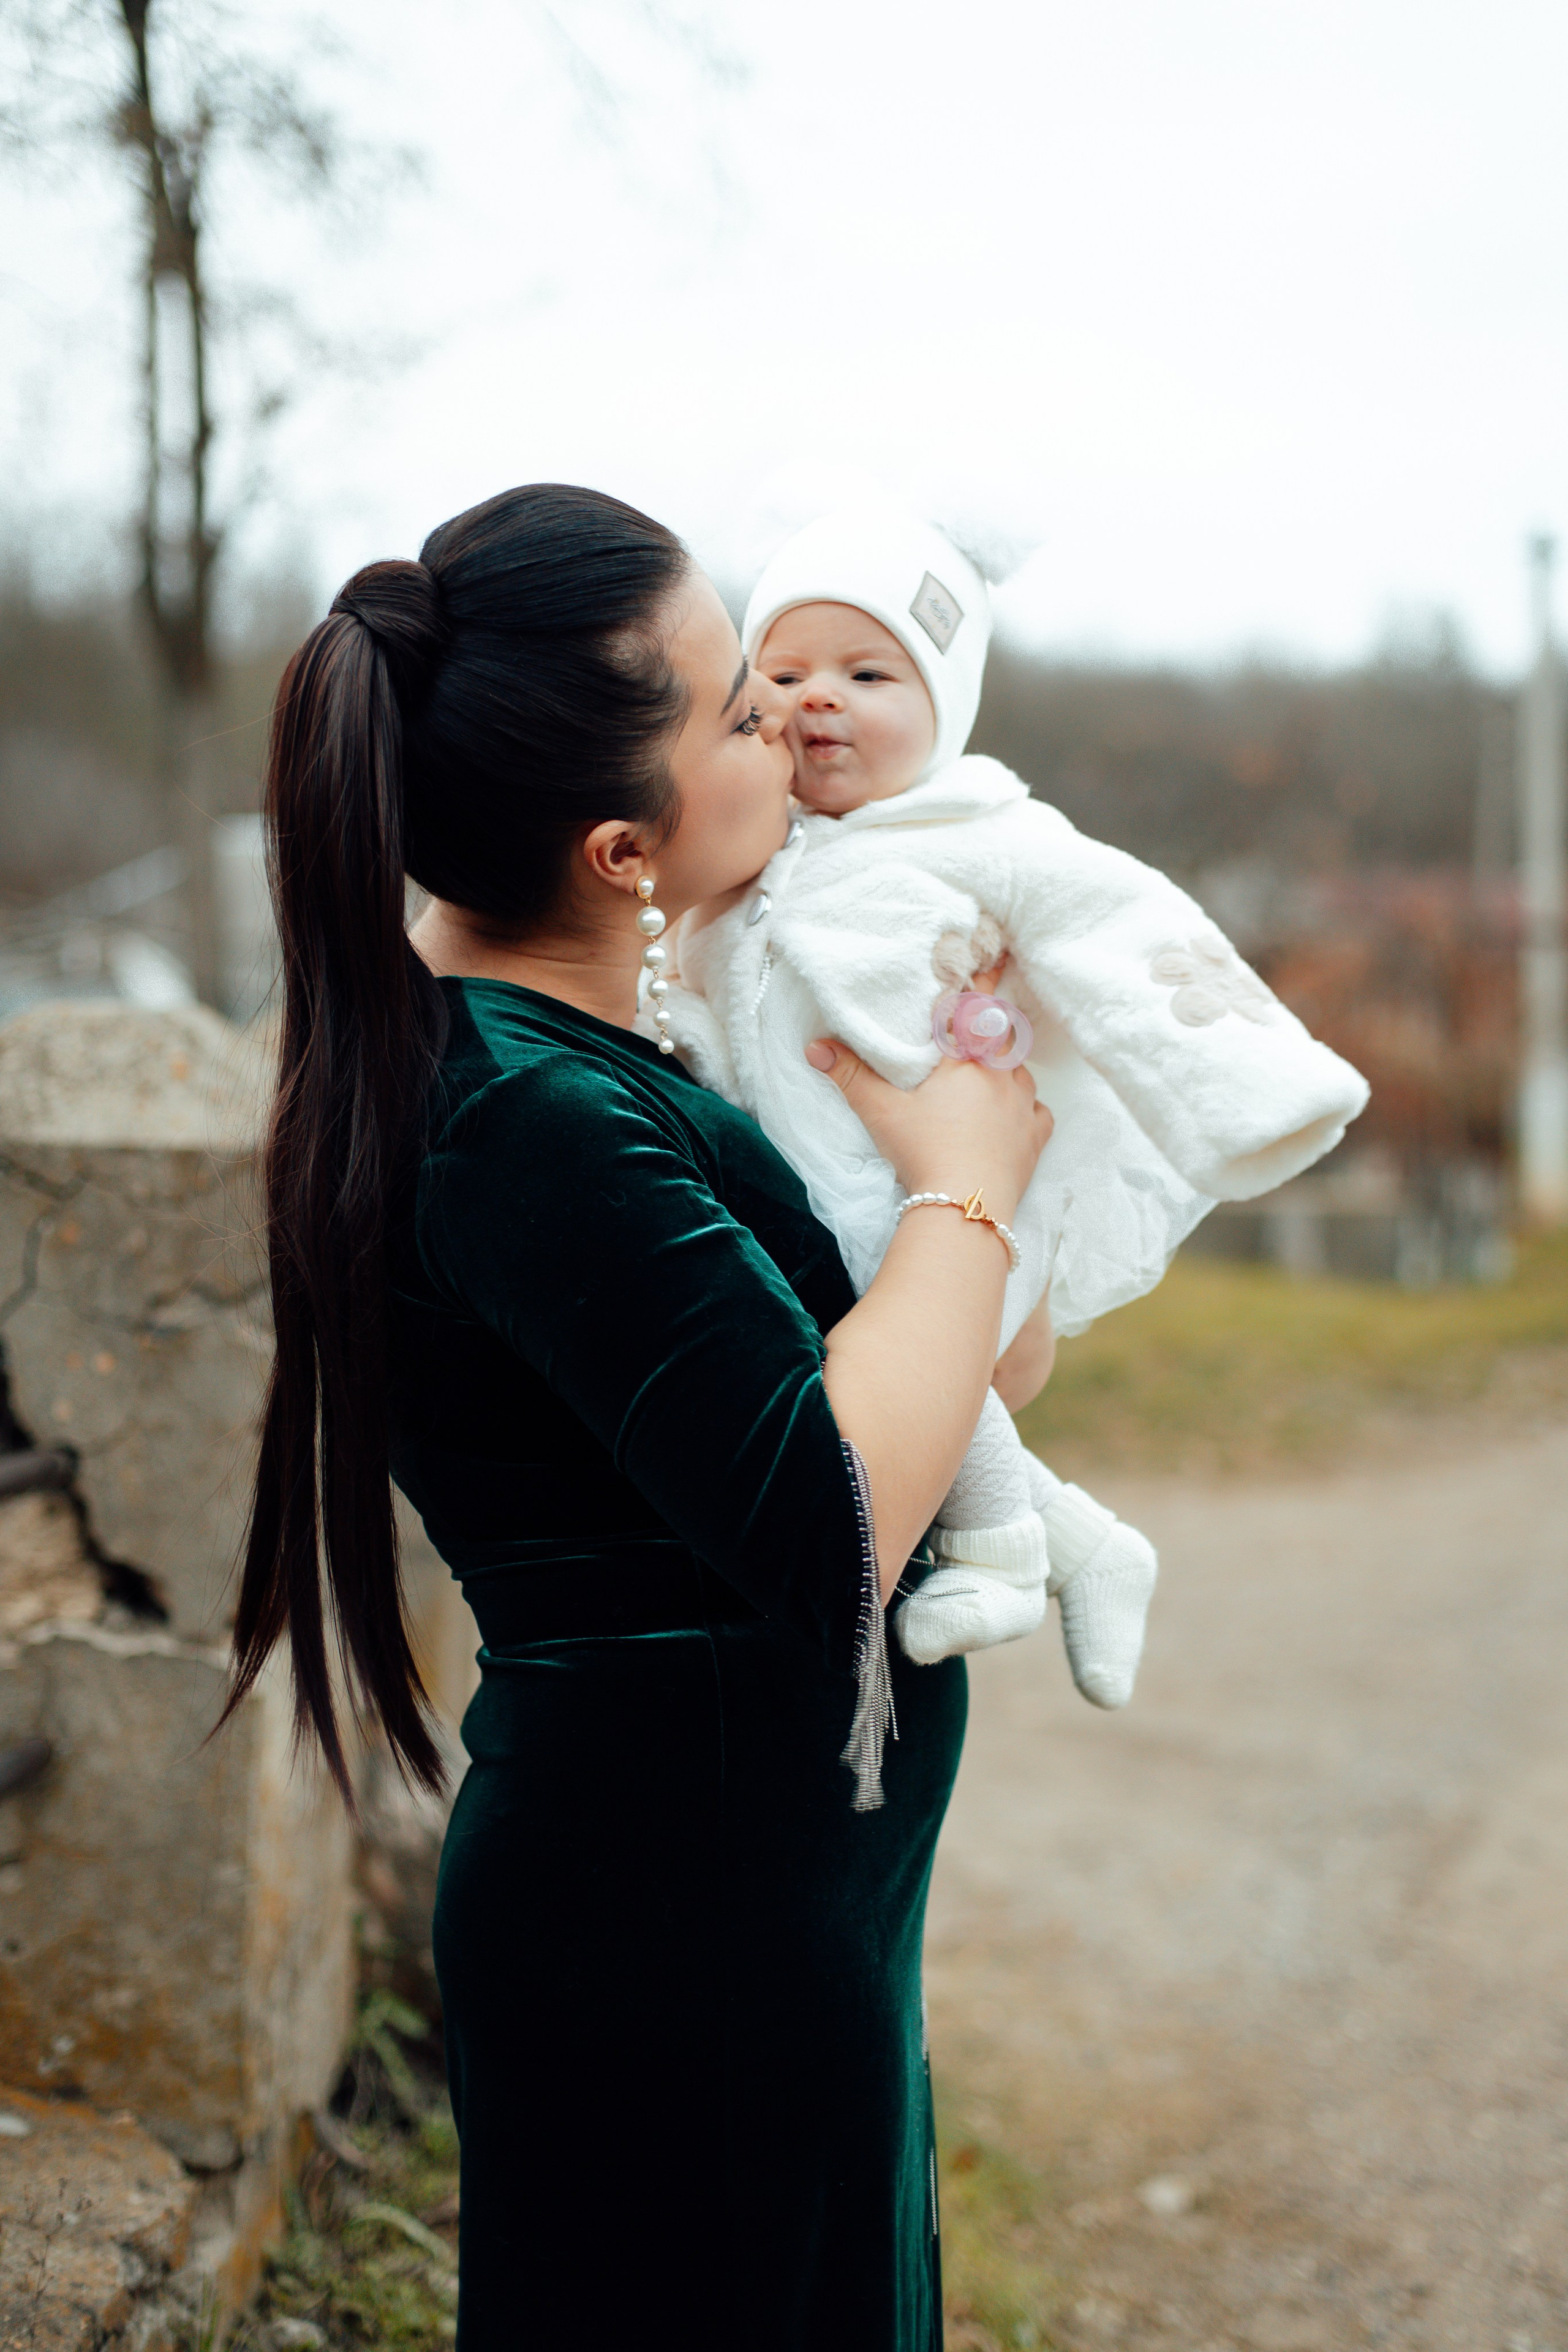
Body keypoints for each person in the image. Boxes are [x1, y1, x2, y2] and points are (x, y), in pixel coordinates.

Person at [222, 483, 1054, 2351]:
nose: (791, 720)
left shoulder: (573, 1066)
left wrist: (957, 1191)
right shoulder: (532, 1120)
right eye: (739, 711)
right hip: (687, 1949)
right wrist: (971, 1186)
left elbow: (960, 1384)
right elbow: (840, 1513)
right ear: (622, 846)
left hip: (756, 1918)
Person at [658, 507, 1368, 1695]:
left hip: (944, 1169)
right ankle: (1086, 1543)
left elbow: (1131, 936)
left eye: (865, 672)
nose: (817, 697)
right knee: (845, 1353)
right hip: (812, 1177)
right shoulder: (753, 849)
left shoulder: (981, 833)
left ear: (944, 708)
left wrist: (1256, 1089)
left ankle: (995, 1545)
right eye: (781, 673)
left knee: (901, 1322)